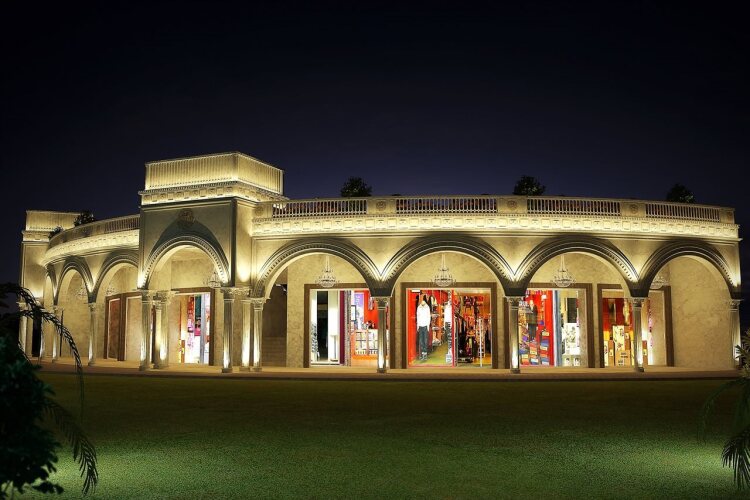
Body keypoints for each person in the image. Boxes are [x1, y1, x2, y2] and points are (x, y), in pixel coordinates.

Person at [416, 294, 431, 361]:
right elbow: (418, 317)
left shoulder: (427, 308)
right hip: (420, 326)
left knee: (425, 340)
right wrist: (418, 326)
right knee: (421, 340)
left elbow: (428, 317)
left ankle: (425, 354)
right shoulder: (419, 308)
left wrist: (428, 325)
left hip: (425, 325)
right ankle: (422, 354)